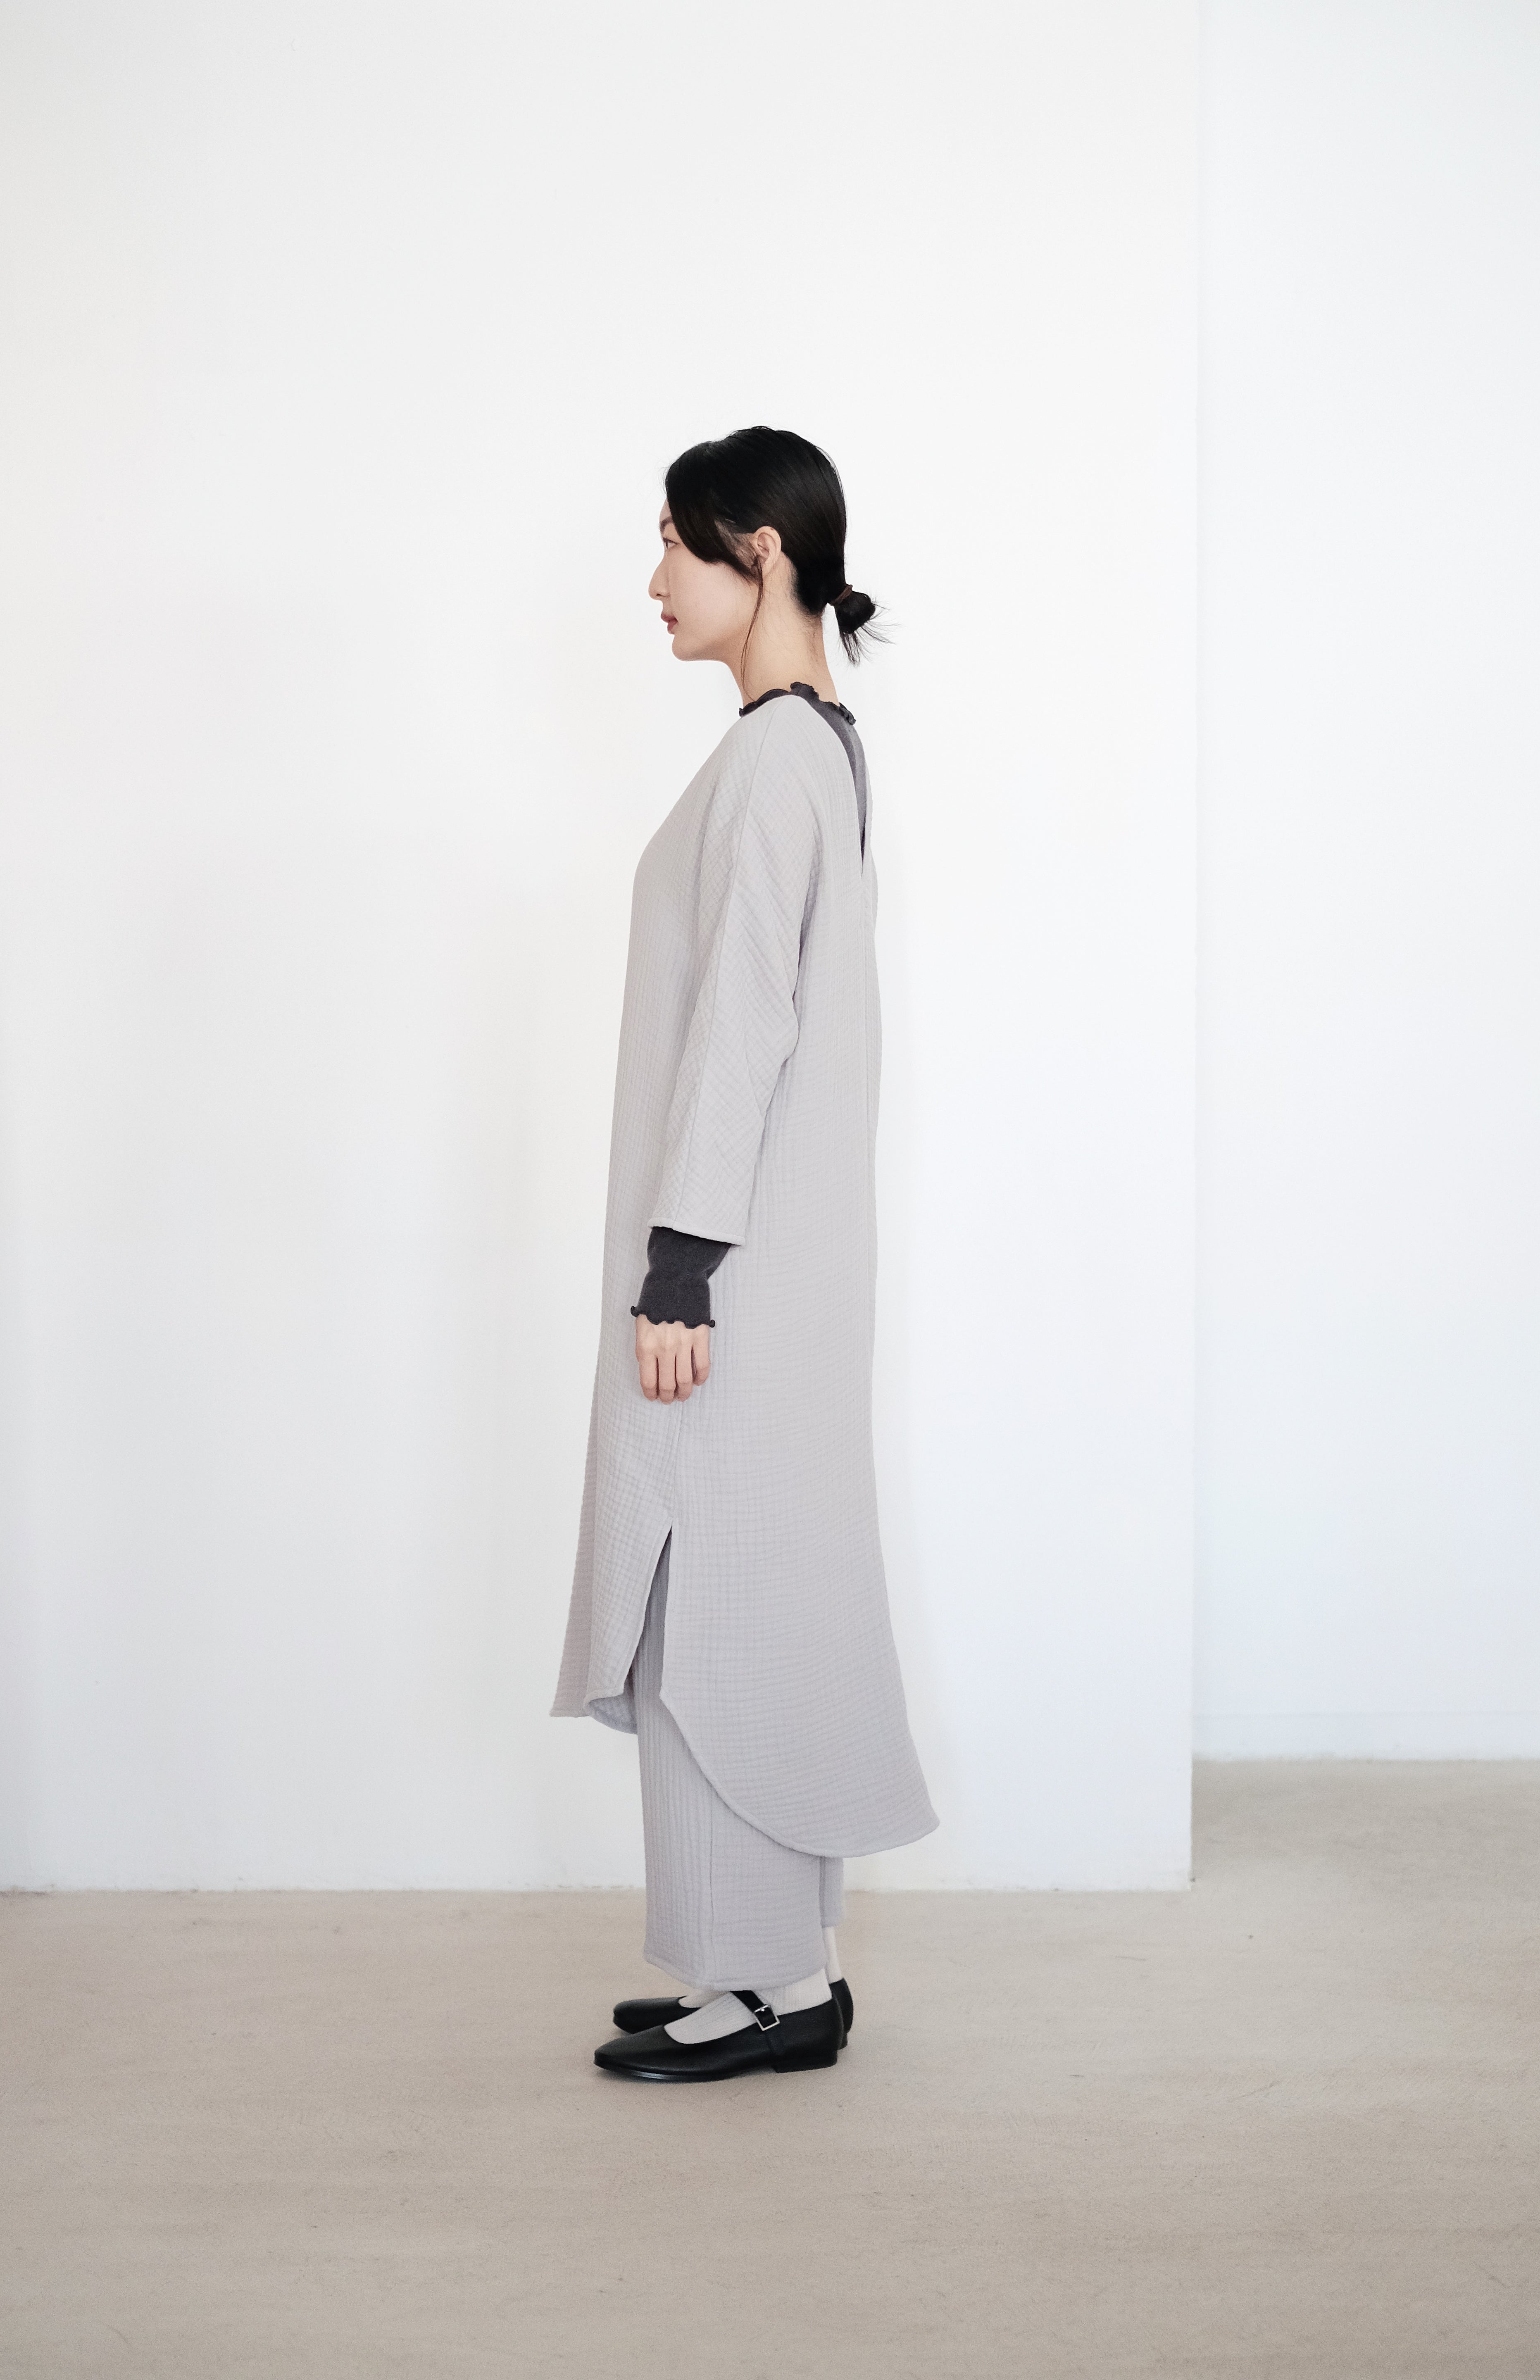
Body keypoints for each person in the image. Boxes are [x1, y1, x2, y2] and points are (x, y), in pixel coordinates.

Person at [552, 426, 937, 2082]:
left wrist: (681, 1268)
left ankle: (771, 1990)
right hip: (761, 1261)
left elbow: (741, 1030)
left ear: (760, 551)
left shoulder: (782, 758)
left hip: (733, 1271)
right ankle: (772, 1969)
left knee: (719, 1600)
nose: (654, 578)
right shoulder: (809, 747)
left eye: (674, 542)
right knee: (725, 1589)